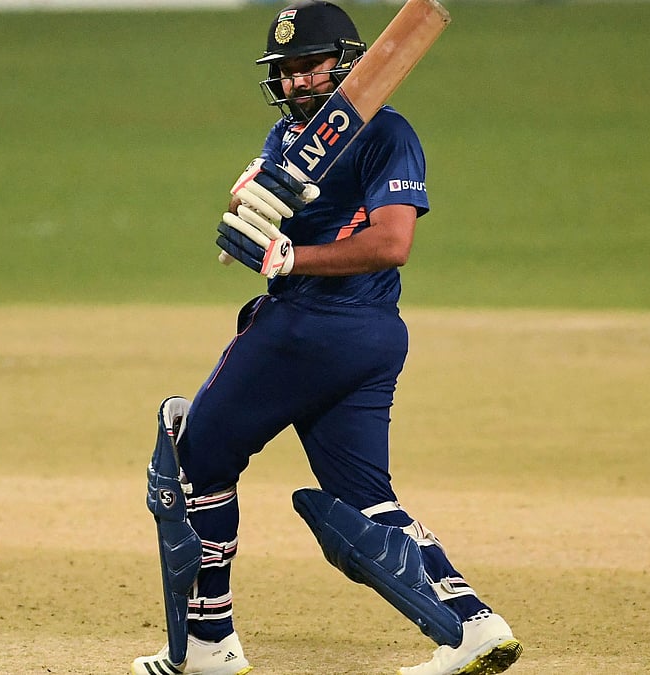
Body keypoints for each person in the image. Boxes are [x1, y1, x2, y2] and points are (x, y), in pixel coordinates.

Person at [132, 2, 522, 674]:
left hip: (311, 328)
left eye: (307, 68)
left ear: (347, 64)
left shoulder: (387, 134)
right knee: (367, 502)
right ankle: (474, 626)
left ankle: (208, 643)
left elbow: (393, 241)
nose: (293, 84)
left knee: (191, 465)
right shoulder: (284, 142)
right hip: (365, 339)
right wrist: (244, 206)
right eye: (282, 72)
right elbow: (261, 220)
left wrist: (291, 261)